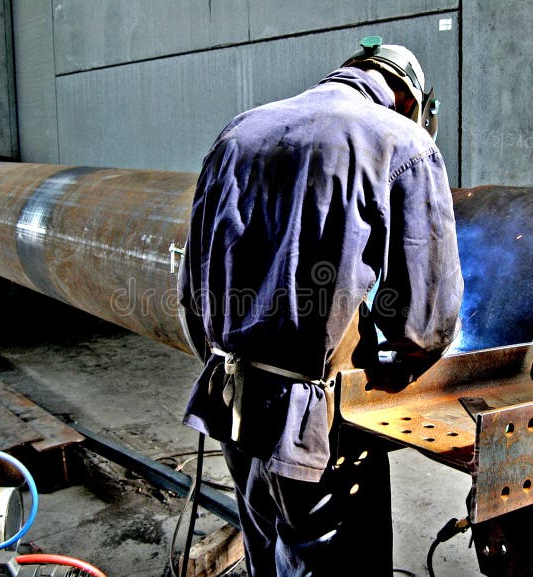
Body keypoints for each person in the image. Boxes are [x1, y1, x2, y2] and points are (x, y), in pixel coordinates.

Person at [177, 36, 464, 577]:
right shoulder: (399, 142)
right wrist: (394, 372)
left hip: (231, 403)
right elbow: (426, 318)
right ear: (409, 101)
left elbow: (192, 290)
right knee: (332, 562)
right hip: (315, 423)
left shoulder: (239, 131)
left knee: (268, 550)